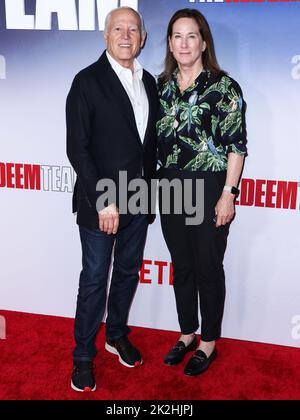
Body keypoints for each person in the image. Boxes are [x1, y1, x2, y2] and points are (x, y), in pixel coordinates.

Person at [66, 7, 158, 392]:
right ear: (105, 36)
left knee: (126, 273)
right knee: (94, 280)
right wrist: (105, 200)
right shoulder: (86, 81)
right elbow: (78, 148)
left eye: (132, 29)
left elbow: (147, 146)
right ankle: (83, 357)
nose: (125, 35)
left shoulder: (149, 81)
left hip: (140, 198)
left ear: (142, 37)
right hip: (102, 203)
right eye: (117, 28)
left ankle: (115, 333)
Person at [157, 9, 247, 376]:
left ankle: (208, 342)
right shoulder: (160, 86)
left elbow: (237, 146)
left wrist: (228, 192)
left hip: (209, 186)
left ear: (204, 42)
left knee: (208, 267)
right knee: (182, 267)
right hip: (169, 186)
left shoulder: (223, 87)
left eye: (191, 36)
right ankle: (186, 333)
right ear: (169, 43)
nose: (183, 43)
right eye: (177, 36)